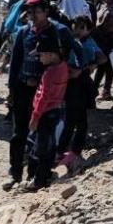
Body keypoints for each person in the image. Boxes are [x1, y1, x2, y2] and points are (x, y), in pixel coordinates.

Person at [5, 0, 59, 190]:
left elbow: (67, 57)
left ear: (46, 11)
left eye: (37, 11)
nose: (32, 15)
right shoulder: (22, 33)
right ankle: (15, 173)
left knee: (42, 134)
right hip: (22, 89)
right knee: (18, 133)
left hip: (44, 93)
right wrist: (11, 90)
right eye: (29, 11)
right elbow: (15, 62)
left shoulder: (56, 32)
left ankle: (36, 176)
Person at [57, 16, 106, 169]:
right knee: (74, 120)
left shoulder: (88, 42)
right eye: (75, 26)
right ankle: (67, 151)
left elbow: (102, 59)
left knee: (78, 121)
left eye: (81, 27)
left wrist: (85, 68)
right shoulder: (73, 43)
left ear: (88, 28)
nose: (77, 30)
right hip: (73, 84)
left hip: (81, 84)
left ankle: (70, 151)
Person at [26, 27, 68, 191]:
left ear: (51, 54)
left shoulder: (50, 73)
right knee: (49, 146)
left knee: (39, 148)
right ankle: (44, 175)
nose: (39, 58)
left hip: (45, 113)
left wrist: (35, 118)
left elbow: (43, 98)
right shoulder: (63, 66)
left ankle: (37, 180)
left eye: (41, 55)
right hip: (56, 110)